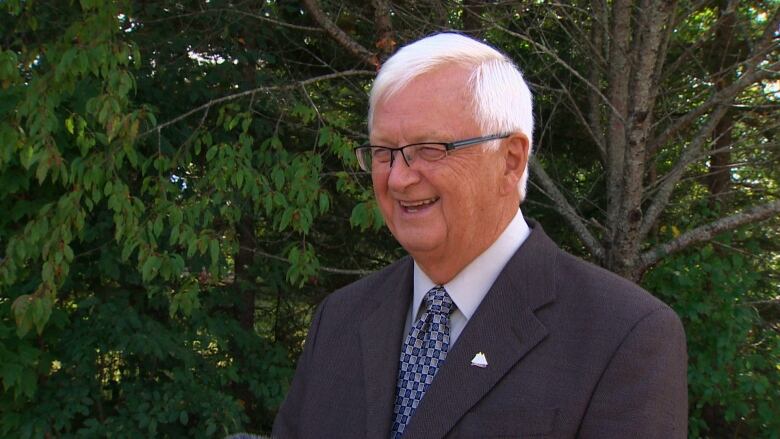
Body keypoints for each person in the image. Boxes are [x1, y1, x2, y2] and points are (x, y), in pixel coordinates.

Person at [272, 33, 687, 439]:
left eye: (430, 148)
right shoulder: (340, 318)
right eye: (384, 152)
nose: (398, 178)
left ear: (509, 160)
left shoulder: (622, 335)